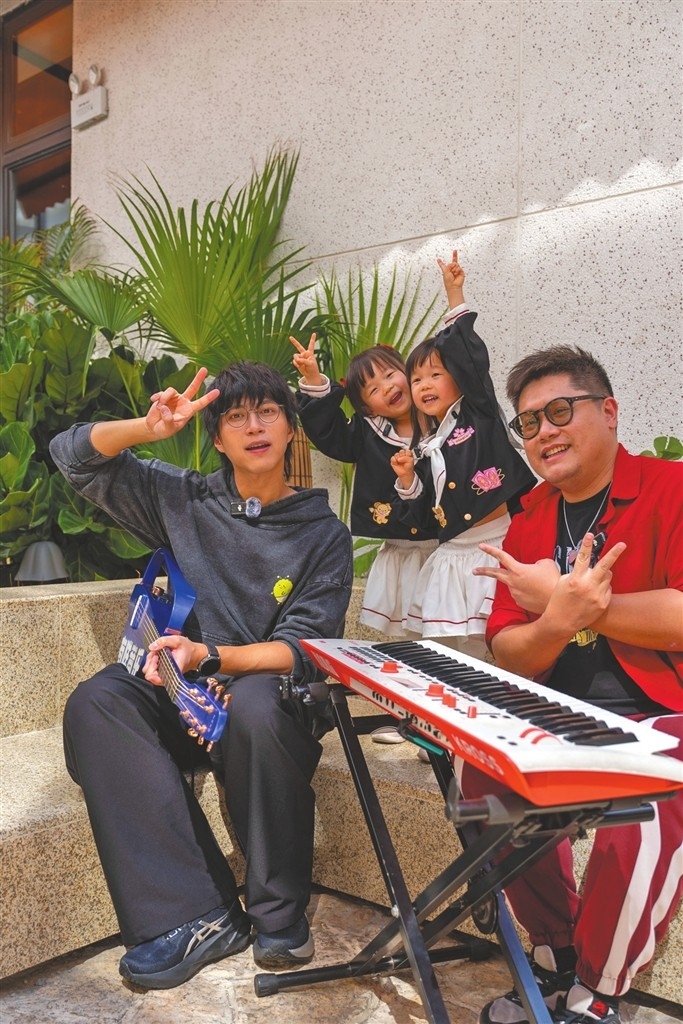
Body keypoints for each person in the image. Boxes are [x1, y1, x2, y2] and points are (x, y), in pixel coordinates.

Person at [50, 361, 353, 990]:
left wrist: (212, 657)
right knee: (97, 700)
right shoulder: (185, 499)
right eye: (236, 416)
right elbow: (72, 457)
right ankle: (198, 914)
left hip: (263, 698)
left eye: (268, 411)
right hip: (185, 690)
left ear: (291, 428)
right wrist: (146, 427)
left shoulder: (323, 534)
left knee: (258, 705)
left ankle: (278, 912)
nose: (254, 426)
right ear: (217, 439)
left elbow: (303, 649)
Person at [465, 344, 683, 1024]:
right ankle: (554, 951)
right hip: (558, 710)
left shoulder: (669, 488)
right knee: (478, 783)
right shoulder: (528, 518)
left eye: (558, 411)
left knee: (648, 804)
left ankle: (598, 992)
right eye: (527, 423)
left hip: (662, 710)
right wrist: (557, 621)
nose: (542, 433)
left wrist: (570, 603)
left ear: (609, 412)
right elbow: (509, 650)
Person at [391, 252, 536, 658]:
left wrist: (455, 296)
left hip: (499, 542)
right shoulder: (425, 445)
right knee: (455, 652)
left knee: (498, 645)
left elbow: (472, 361)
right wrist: (406, 480)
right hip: (454, 553)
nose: (424, 384)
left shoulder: (479, 411)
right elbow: (420, 511)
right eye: (416, 379)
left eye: (435, 373)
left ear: (458, 378)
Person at [292, 333, 437, 640]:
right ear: (367, 408)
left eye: (389, 374)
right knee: (410, 638)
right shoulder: (364, 433)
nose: (387, 387)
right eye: (373, 389)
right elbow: (328, 431)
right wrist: (315, 379)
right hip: (402, 551)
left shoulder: (444, 420)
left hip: (449, 548)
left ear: (408, 371)